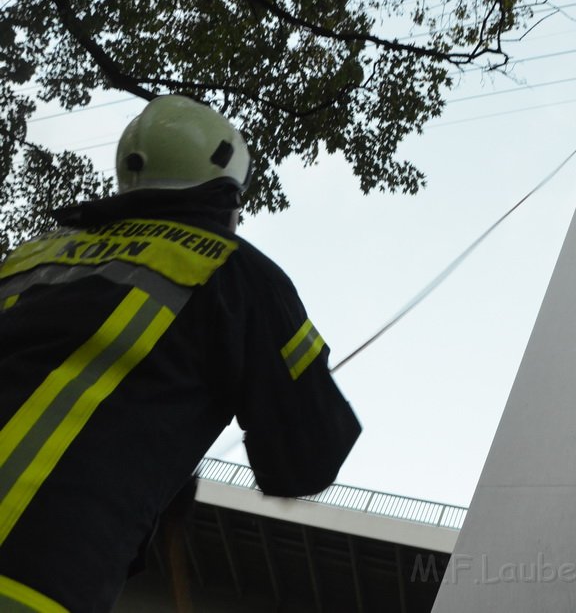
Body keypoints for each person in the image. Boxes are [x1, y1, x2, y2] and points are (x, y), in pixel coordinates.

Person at [0, 95, 361, 611]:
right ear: (225, 190)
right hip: (32, 574)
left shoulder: (30, 256)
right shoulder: (235, 272)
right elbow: (305, 459)